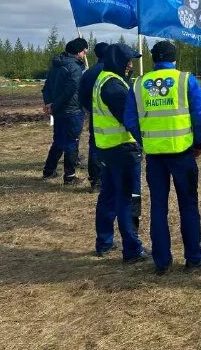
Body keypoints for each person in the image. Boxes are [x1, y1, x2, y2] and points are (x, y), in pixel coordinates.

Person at [124, 40, 201, 275]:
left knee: (158, 208)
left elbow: (131, 120)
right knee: (188, 206)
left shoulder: (139, 85)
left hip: (155, 157)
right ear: (174, 59)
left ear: (154, 60)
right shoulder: (186, 80)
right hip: (183, 154)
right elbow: (200, 116)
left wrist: (146, 141)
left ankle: (161, 262)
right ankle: (194, 257)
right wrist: (199, 143)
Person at [92, 43, 148, 263]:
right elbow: (129, 119)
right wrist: (147, 143)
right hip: (123, 149)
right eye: (128, 61)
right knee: (128, 199)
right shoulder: (114, 86)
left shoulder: (103, 79)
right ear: (119, 62)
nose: (130, 65)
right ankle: (132, 249)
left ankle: (104, 242)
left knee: (108, 195)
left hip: (106, 148)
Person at [41, 37, 88, 184]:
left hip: (59, 111)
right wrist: (53, 105)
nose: (85, 55)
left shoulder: (56, 65)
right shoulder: (74, 68)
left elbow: (47, 87)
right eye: (84, 52)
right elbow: (70, 91)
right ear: (79, 52)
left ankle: (49, 171)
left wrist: (49, 104)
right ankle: (70, 176)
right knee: (72, 142)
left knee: (59, 141)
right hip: (72, 110)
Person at [78, 41, 110, 190]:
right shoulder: (112, 70)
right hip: (111, 116)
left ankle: (96, 179)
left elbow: (82, 95)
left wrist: (91, 108)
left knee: (95, 145)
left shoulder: (89, 72)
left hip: (95, 115)